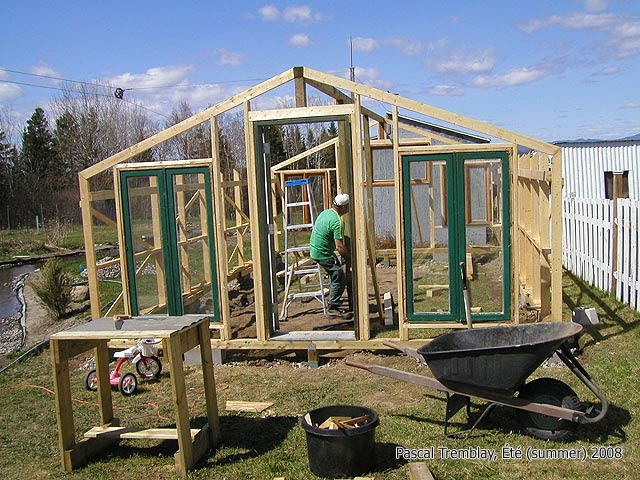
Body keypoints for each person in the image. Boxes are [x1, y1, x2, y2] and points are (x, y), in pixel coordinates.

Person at [310, 193, 353, 319]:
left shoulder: (326, 213)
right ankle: (333, 307)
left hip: (315, 249)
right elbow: (339, 247)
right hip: (323, 253)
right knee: (339, 277)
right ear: (344, 207)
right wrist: (350, 259)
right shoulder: (337, 222)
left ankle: (334, 299)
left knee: (335, 274)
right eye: (348, 206)